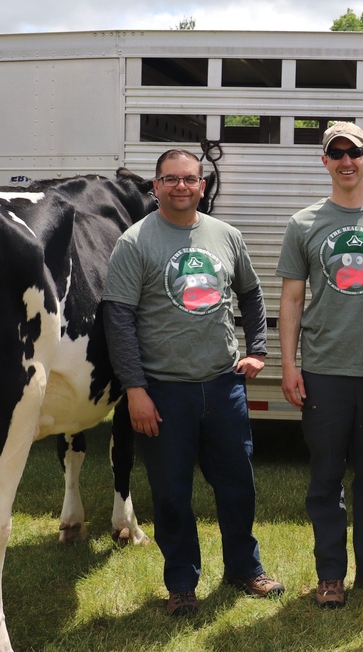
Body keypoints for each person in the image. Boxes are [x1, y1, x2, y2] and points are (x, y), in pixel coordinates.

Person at [103, 149, 284, 617]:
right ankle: (182, 581)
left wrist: (258, 350)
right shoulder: (134, 242)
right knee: (170, 493)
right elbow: (118, 319)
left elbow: (251, 292)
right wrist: (136, 390)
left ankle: (246, 569)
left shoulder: (226, 235)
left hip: (224, 386)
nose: (180, 187)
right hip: (164, 392)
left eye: (189, 179)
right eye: (170, 180)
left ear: (202, 185)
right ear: (155, 186)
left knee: (237, 486)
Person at [276, 121, 363, 609]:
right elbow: (292, 299)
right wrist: (289, 366)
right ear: (325, 162)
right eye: (335, 153)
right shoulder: (304, 224)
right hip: (324, 370)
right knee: (325, 476)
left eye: (353, 152)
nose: (345, 161)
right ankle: (330, 575)